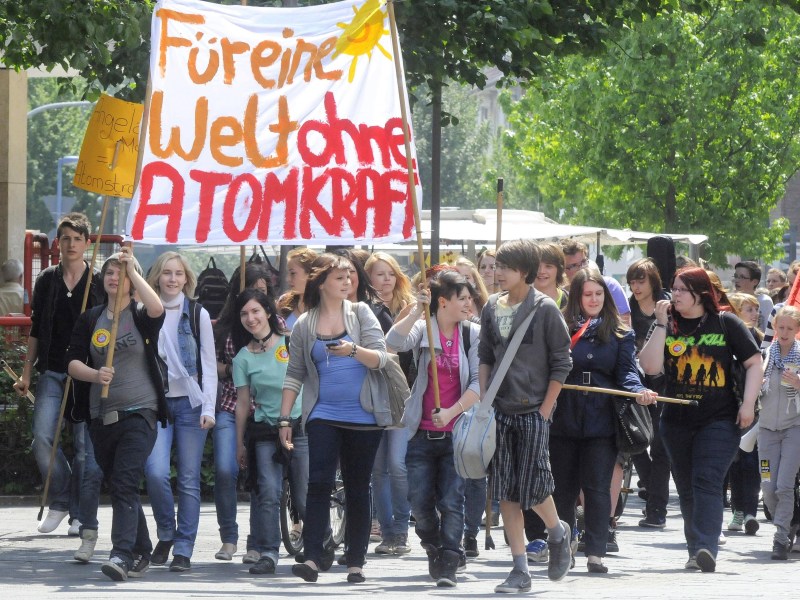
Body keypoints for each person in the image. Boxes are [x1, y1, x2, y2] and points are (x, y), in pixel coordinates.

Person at [640, 267, 762, 573]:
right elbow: (650, 367)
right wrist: (660, 323)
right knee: (686, 486)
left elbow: (754, 362)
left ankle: (707, 545)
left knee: (706, 479)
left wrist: (748, 404)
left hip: (719, 418)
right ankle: (696, 550)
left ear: (700, 293)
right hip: (676, 420)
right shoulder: (666, 324)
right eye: (674, 288)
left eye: (682, 289)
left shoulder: (725, 322)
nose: (675, 295)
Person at [279, 253, 392, 584]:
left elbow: (382, 358)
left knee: (357, 486)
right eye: (340, 277)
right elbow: (294, 373)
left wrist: (352, 350)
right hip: (322, 413)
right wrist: (285, 419)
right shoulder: (304, 324)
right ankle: (313, 558)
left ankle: (355, 561)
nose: (348, 282)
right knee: (318, 482)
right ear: (322, 283)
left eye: (349, 277)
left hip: (364, 415)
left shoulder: (361, 313)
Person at [65, 247, 165, 581]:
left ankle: (121, 554)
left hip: (140, 413)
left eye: (120, 273)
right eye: (109, 272)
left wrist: (131, 269)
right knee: (121, 486)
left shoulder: (140, 314)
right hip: (101, 416)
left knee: (124, 480)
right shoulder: (90, 318)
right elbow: (72, 362)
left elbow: (158, 309)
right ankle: (142, 550)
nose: (114, 277)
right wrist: (95, 375)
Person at [479, 239, 573, 593]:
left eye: (507, 267)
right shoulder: (491, 306)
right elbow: (485, 356)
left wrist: (545, 410)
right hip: (499, 410)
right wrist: (485, 400)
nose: (498, 273)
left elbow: (562, 363)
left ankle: (557, 532)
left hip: (533, 410)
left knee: (533, 487)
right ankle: (519, 568)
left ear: (525, 271)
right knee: (505, 491)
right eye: (497, 266)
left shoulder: (545, 308)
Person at [553, 268, 657, 574]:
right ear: (577, 296)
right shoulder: (560, 327)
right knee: (563, 488)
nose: (594, 299)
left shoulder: (621, 333)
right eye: (587, 294)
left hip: (601, 419)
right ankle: (565, 545)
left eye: (599, 294)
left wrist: (638, 391)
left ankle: (596, 551)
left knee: (597, 486)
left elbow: (627, 373)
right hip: (564, 416)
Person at [14, 213, 104, 555]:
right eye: (65, 238)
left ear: (87, 243)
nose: (71, 244)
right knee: (42, 436)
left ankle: (79, 513)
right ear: (58, 243)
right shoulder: (47, 279)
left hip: (86, 373)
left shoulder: (98, 280)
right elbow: (36, 327)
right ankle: (61, 499)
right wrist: (26, 372)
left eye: (77, 238)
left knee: (84, 447)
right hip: (52, 369)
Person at [386, 271, 481, 587]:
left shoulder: (472, 334)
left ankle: (450, 559)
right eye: (462, 298)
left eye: (469, 298)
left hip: (457, 433)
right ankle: (433, 545)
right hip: (421, 433)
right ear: (443, 301)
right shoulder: (424, 328)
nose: (469, 304)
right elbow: (392, 342)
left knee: (452, 501)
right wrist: (417, 309)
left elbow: (479, 383)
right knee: (420, 504)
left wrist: (452, 411)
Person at [144, 252, 217, 572]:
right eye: (166, 273)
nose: (172, 279)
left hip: (191, 403)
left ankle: (184, 548)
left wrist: (209, 408)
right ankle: (166, 533)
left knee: (188, 479)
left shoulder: (198, 313)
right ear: (157, 277)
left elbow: (209, 366)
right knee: (155, 472)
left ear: (187, 278)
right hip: (156, 402)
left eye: (178, 273)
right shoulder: (145, 310)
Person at [231, 288, 308, 575]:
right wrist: (239, 443)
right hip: (265, 430)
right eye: (244, 314)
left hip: (300, 425)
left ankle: (319, 543)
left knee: (304, 494)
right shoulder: (242, 358)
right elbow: (242, 404)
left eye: (255, 311)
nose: (250, 318)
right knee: (268, 491)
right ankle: (268, 552)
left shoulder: (291, 341)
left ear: (267, 312)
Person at [211, 263, 274, 564]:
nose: (255, 297)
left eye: (262, 291)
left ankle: (256, 541)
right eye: (250, 288)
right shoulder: (223, 325)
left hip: (263, 411)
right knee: (226, 469)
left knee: (262, 477)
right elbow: (208, 364)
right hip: (229, 405)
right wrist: (231, 369)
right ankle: (228, 536)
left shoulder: (277, 328)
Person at [364, 251, 413, 555]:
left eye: (391, 273)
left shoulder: (409, 307)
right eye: (379, 274)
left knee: (397, 463)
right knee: (378, 468)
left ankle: (402, 528)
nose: (386, 279)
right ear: (368, 278)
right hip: (371, 394)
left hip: (400, 394)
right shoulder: (363, 309)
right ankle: (388, 531)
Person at [626, 258, 672, 530]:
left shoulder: (666, 305)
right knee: (632, 438)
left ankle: (657, 509)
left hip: (665, 381)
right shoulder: (628, 307)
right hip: (635, 379)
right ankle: (652, 488)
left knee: (660, 447)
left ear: (653, 281)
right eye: (632, 282)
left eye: (640, 281)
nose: (636, 287)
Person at [757, 305, 800, 559]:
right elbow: (750, 385)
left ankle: (781, 537)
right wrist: (756, 384)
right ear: (774, 328)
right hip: (765, 431)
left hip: (794, 430)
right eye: (780, 327)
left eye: (789, 328)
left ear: (797, 330)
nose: (784, 332)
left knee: (784, 485)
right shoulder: (765, 355)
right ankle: (789, 522)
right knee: (767, 485)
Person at [277, 247, 318, 330]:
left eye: (293, 273)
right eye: (288, 273)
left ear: (311, 274)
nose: (288, 279)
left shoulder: (326, 305)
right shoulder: (283, 302)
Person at [732, 261, 773, 332]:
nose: (736, 280)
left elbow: (770, 330)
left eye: (742, 277)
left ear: (755, 282)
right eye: (736, 276)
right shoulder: (730, 300)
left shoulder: (764, 301)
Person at [533, 242, 568, 309]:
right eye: (537, 266)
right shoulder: (519, 301)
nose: (541, 271)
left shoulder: (570, 302)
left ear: (559, 269)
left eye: (548, 266)